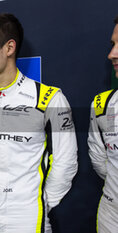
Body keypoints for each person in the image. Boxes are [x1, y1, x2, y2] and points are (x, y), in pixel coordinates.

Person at [0, 13, 78, 232]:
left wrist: (40, 202)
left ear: (9, 48)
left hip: (26, 211)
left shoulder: (49, 98)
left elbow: (65, 161)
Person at [88, 15, 118, 233]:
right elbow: (100, 160)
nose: (111, 54)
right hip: (111, 212)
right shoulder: (102, 104)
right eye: (113, 44)